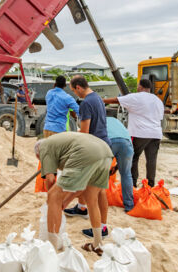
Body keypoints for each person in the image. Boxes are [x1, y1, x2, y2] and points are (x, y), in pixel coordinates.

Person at [34, 132, 113, 256]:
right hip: (106, 152)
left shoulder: (44, 147)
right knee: (91, 199)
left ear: (38, 155)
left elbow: (50, 179)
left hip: (86, 152)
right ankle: (98, 244)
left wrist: (53, 200)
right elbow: (82, 187)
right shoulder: (62, 148)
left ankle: (51, 248)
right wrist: (65, 201)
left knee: (53, 196)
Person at [64, 75, 110, 239]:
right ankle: (86, 212)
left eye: (74, 91)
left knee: (92, 191)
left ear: (78, 87)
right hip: (105, 145)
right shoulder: (97, 97)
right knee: (101, 190)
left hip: (93, 149)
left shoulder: (86, 103)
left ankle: (99, 230)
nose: (75, 95)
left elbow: (84, 133)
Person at [104, 78, 164, 188]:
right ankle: (150, 186)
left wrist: (101, 100)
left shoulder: (136, 96)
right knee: (151, 160)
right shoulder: (157, 100)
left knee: (133, 158)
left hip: (140, 133)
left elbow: (116, 100)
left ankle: (133, 184)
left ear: (140, 87)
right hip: (156, 133)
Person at [106, 115, 135, 212]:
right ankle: (129, 205)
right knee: (126, 174)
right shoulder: (117, 122)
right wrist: (118, 166)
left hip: (110, 142)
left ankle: (101, 199)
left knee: (101, 173)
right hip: (127, 143)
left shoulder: (99, 121)